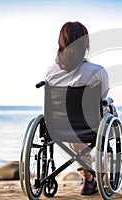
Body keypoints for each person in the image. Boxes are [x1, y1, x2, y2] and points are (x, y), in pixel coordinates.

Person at [45, 21, 109, 195]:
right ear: (85, 44)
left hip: (59, 127)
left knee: (73, 124)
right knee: (107, 111)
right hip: (91, 126)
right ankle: (100, 171)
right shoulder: (97, 71)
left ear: (61, 43)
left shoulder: (50, 73)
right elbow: (102, 97)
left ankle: (87, 177)